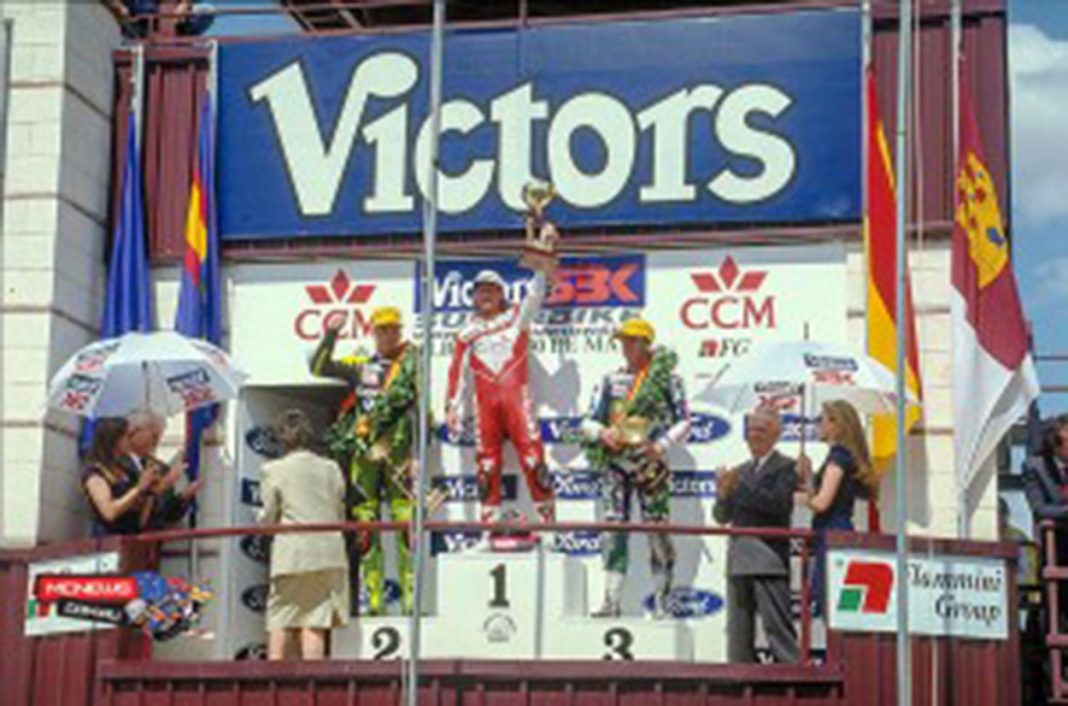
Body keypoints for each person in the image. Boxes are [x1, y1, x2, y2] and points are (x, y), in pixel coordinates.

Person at [310, 306, 419, 615]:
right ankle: (374, 599)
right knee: (365, 524)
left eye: (393, 329)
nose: (388, 335)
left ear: (400, 331)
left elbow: (424, 413)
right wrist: (331, 333)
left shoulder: (411, 364)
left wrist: (420, 455)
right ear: (373, 332)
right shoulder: (360, 365)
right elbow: (318, 368)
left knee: (404, 523)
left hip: (398, 456)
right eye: (382, 329)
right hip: (364, 456)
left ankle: (409, 597)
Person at [581, 319, 690, 619]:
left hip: (650, 462)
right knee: (615, 530)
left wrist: (662, 445)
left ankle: (661, 601)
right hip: (616, 464)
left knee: (658, 529)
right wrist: (602, 434)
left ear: (646, 344)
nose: (625, 347)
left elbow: (685, 420)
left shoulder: (667, 378)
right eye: (623, 341)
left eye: (631, 341)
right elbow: (588, 419)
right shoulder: (609, 379)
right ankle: (611, 601)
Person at [445, 268, 555, 525]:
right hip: (485, 405)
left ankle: (549, 529)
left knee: (534, 460)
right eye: (481, 291)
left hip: (518, 400)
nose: (486, 296)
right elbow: (457, 373)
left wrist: (540, 267)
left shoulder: (517, 316)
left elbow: (535, 295)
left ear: (501, 294)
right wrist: (452, 408)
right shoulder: (466, 333)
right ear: (473, 296)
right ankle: (488, 530)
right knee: (487, 467)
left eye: (491, 290)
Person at [258, 409, 348, 661]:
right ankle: (313, 689)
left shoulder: (273, 469)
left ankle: (272, 684)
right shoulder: (331, 468)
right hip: (329, 551)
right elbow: (339, 511)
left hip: (293, 553)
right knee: (315, 621)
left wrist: (263, 523)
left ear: (280, 438)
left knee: (280, 619)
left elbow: (267, 516)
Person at [712, 405, 799, 663]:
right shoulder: (738, 471)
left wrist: (736, 489)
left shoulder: (787, 467)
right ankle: (740, 682)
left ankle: (792, 679)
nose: (754, 436)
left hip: (768, 558)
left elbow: (778, 504)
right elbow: (721, 517)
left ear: (776, 433)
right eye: (750, 430)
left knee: (777, 628)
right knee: (738, 631)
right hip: (739, 557)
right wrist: (723, 494)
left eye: (760, 430)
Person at [797, 399, 877, 616]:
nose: (818, 426)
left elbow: (821, 503)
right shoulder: (842, 457)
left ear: (836, 424)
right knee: (836, 605)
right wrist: (809, 475)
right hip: (837, 531)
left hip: (831, 535)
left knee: (830, 602)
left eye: (821, 421)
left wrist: (799, 498)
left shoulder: (838, 458)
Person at [123, 410, 203, 530]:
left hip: (153, 541)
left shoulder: (160, 467)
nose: (156, 442)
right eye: (153, 436)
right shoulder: (117, 464)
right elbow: (125, 508)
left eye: (159, 436)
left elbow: (168, 515)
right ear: (133, 433)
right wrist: (161, 486)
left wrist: (184, 497)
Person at [83, 417, 158, 537]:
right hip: (108, 541)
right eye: (127, 436)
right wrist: (138, 488)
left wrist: (150, 490)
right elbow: (109, 512)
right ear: (114, 440)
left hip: (132, 538)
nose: (130, 441)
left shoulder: (126, 471)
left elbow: (141, 520)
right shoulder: (96, 473)